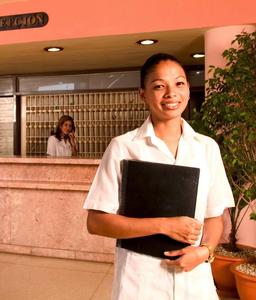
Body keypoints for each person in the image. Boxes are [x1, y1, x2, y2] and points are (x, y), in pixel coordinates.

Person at [83, 53, 234, 299]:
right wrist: (165, 225)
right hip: (140, 280)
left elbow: (214, 217)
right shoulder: (123, 147)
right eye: (159, 86)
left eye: (179, 83)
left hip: (194, 281)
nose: (171, 93)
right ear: (142, 93)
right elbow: (96, 222)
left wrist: (205, 251)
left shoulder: (206, 147)